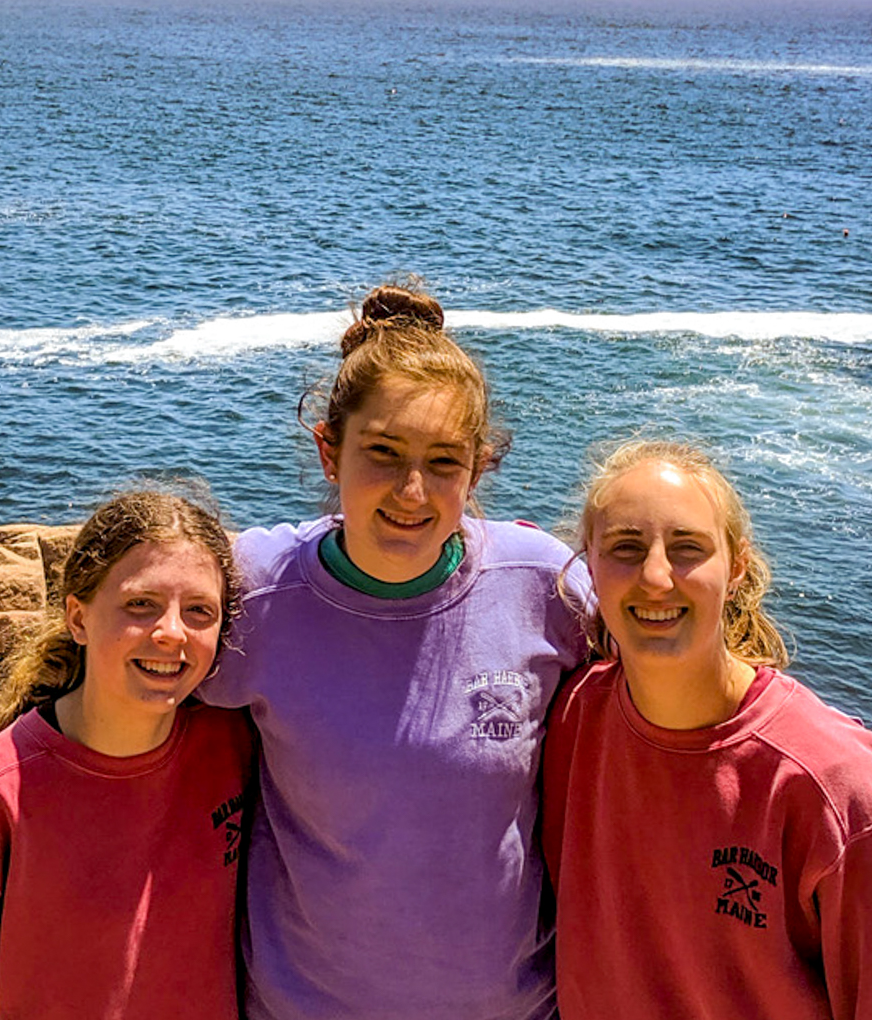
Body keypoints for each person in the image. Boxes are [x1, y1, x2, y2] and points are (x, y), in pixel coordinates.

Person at [198, 283, 591, 1020]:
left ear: (478, 469)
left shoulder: (543, 582)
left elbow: (667, 663)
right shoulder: (253, 591)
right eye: (382, 452)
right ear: (328, 451)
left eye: (444, 462)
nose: (412, 491)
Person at [542, 441, 872, 1020]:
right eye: (626, 548)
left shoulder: (831, 781)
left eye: (687, 549)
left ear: (735, 568)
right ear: (590, 565)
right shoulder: (573, 721)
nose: (656, 576)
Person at [0, 490, 256, 1020]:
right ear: (78, 617)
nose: (171, 632)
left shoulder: (233, 746)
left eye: (198, 611)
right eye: (140, 604)